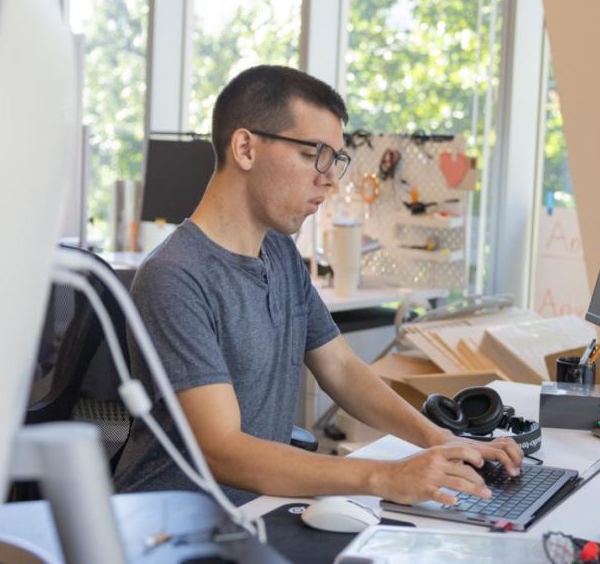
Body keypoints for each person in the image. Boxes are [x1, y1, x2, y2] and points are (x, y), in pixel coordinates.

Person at [114, 65, 522, 505]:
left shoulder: (280, 253)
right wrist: (384, 477)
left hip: (255, 512)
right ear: (246, 148)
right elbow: (223, 450)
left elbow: (341, 369)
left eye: (335, 160)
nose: (329, 178)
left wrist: (439, 440)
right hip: (172, 525)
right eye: (314, 155)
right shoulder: (176, 275)